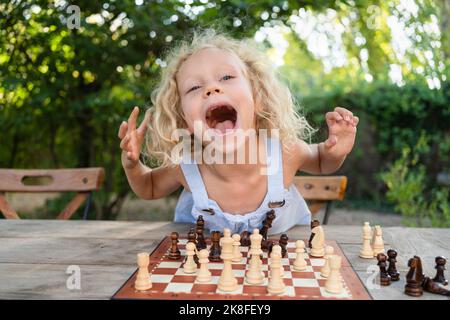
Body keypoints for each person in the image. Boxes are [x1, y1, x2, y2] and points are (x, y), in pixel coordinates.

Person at [118, 29, 359, 235]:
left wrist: (336, 150)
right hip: (207, 275)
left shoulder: (284, 151)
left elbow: (320, 162)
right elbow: (148, 187)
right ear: (184, 121)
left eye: (226, 77)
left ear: (258, 98)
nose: (212, 88)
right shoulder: (187, 166)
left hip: (281, 270)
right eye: (194, 87)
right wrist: (132, 165)